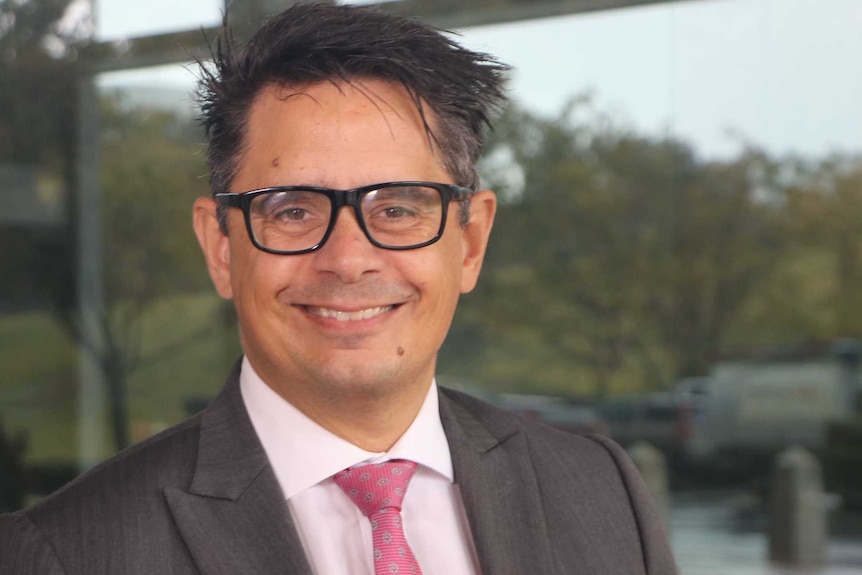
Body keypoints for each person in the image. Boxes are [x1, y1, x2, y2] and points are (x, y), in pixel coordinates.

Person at [0, 3, 677, 573]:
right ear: (220, 245)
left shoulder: (602, 491)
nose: (349, 259)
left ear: (469, 243)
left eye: (399, 208)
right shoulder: (63, 552)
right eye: (293, 209)